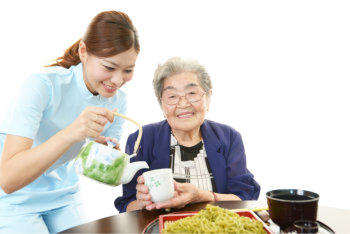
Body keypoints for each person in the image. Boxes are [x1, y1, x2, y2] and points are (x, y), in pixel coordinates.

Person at [0, 10, 139, 233]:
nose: (117, 80)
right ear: (84, 51)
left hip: (63, 196)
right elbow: (8, 179)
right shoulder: (42, 86)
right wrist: (73, 132)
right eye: (109, 68)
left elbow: (87, 167)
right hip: (14, 198)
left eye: (128, 70)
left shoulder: (118, 102)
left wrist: (103, 154)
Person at [115, 57, 260, 213]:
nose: (183, 104)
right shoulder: (142, 139)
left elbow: (245, 197)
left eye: (192, 93)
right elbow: (127, 205)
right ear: (162, 104)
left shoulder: (229, 137)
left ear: (208, 97)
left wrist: (201, 196)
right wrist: (141, 203)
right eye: (172, 96)